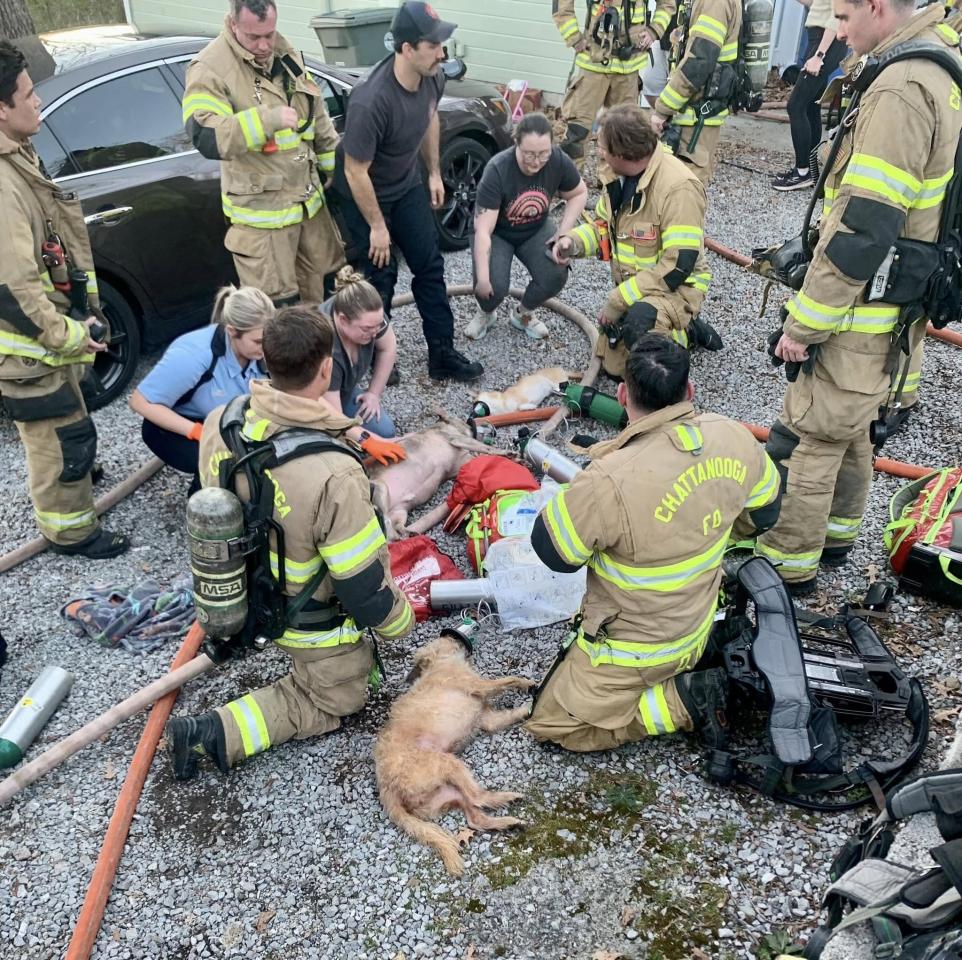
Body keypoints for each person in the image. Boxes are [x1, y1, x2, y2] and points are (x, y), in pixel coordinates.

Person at [756, 0, 962, 594]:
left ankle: (785, 568)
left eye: (843, 18)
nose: (836, 32)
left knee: (810, 434)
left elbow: (863, 227)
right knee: (853, 424)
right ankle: (838, 537)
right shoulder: (942, 68)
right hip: (896, 305)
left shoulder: (901, 88)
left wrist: (803, 326)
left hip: (859, 307)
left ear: (877, 6)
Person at [166, 304, 415, 779]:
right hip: (306, 621)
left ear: (266, 361)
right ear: (327, 369)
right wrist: (399, 623)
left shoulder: (222, 420)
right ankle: (211, 732)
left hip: (240, 597)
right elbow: (361, 586)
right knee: (339, 699)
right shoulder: (335, 473)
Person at [525, 334, 781, 752]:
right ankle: (700, 664)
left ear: (623, 395)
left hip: (636, 653)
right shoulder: (734, 437)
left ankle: (687, 699)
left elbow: (554, 553)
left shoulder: (607, 481)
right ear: (690, 391)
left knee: (554, 726)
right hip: (698, 623)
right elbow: (765, 514)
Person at [0, 40, 128, 560]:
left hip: (46, 338)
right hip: (29, 350)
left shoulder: (15, 153)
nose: (37, 104)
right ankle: (71, 533)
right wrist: (70, 335)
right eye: (28, 95)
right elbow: (13, 288)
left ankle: (79, 491)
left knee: (70, 426)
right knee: (56, 441)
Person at [329, 1, 483, 383]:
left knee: (429, 266)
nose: (443, 52)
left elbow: (430, 116)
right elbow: (355, 170)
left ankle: (442, 354)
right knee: (380, 276)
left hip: (406, 185)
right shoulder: (371, 100)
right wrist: (378, 227)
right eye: (434, 45)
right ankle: (378, 356)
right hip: (365, 193)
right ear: (406, 48)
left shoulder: (432, 75)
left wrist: (433, 171)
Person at [182, 0, 344, 306]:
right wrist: (266, 120)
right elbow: (206, 135)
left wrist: (339, 173)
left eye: (269, 34)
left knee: (322, 304)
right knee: (277, 318)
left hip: (307, 209)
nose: (263, 45)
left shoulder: (285, 51)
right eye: (253, 37)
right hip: (262, 223)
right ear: (232, 24)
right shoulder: (210, 68)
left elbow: (316, 115)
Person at [551, 104, 719, 380]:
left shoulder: (679, 188)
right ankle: (680, 330)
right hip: (640, 288)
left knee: (640, 336)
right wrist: (573, 242)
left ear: (623, 152)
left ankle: (680, 335)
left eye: (603, 147)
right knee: (614, 369)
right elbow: (603, 229)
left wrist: (618, 301)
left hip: (677, 288)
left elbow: (678, 266)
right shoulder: (618, 176)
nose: (599, 153)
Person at [129, 285, 272, 489]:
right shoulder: (195, 355)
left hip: (222, 419)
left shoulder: (258, 351)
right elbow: (139, 402)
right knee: (226, 463)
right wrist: (198, 432)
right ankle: (204, 510)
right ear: (232, 332)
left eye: (270, 337)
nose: (266, 346)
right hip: (175, 427)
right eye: (258, 341)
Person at [466, 112, 587, 342]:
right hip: (497, 233)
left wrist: (563, 232)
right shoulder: (498, 169)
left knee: (556, 272)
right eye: (530, 154)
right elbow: (483, 230)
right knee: (492, 287)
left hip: (535, 228)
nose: (536, 161)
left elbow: (579, 192)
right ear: (516, 144)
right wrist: (482, 278)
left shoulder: (558, 161)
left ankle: (523, 314)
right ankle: (486, 314)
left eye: (543, 154)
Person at [553, 0, 677, 178]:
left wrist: (654, 30)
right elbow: (561, 6)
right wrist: (574, 37)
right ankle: (568, 186)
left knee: (623, 134)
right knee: (577, 129)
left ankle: (611, 187)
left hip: (628, 69)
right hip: (593, 63)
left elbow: (667, 4)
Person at [648, 0, 742, 186]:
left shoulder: (714, 3)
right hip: (694, 113)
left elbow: (699, 62)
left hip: (696, 117)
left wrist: (663, 109)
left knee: (684, 190)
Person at [772, 0, 847, 192]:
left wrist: (819, 55)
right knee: (811, 105)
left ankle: (802, 172)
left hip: (824, 42)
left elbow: (835, 17)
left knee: (795, 106)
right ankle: (811, 171)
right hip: (820, 40)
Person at [321, 266, 399, 439]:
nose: (375, 333)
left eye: (378, 325)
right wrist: (377, 444)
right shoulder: (326, 349)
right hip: (316, 400)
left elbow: (388, 346)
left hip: (344, 390)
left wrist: (373, 394)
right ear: (342, 320)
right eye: (367, 329)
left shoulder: (369, 314)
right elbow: (337, 423)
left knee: (385, 431)